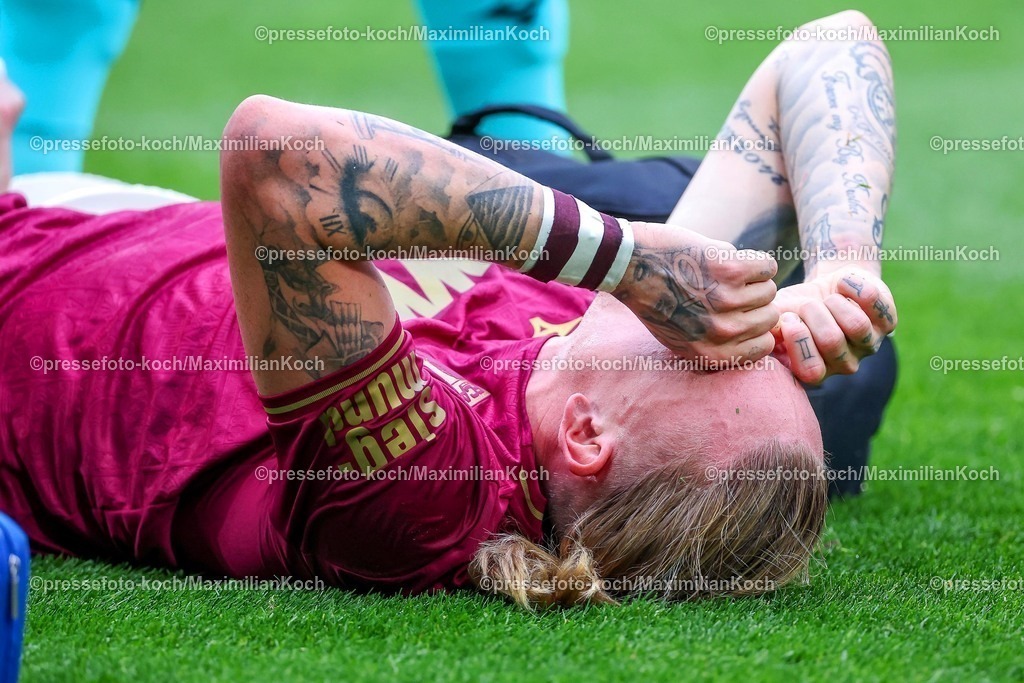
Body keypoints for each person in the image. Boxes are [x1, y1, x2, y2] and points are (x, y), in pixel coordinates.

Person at [0, 10, 896, 608]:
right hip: (92, 220)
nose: (727, 323)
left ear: (587, 438)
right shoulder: (577, 350)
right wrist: (841, 268)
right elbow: (830, 43)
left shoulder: (428, 499)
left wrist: (622, 256)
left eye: (721, 352)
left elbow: (276, 152)